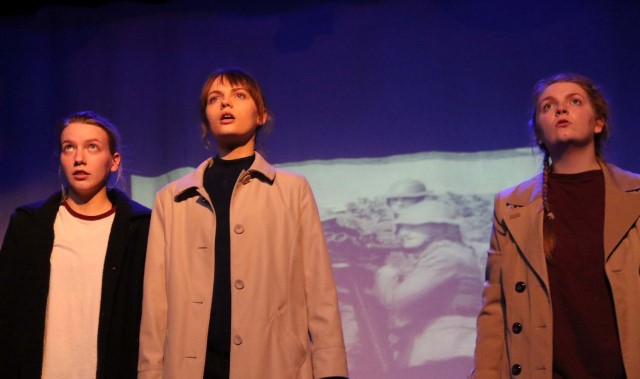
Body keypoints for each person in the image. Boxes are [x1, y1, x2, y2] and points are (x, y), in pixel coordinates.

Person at [138, 67, 348, 379]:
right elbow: (156, 303)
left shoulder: (292, 190)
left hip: (275, 365)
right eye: (215, 99)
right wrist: (151, 371)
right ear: (205, 121)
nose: (225, 104)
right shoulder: (172, 198)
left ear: (261, 115)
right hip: (193, 367)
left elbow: (318, 288)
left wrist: (331, 370)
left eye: (239, 96)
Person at [471, 73, 640, 378]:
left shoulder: (636, 196)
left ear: (598, 123)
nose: (561, 110)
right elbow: (495, 308)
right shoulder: (511, 206)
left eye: (574, 102)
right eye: (548, 106)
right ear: (538, 134)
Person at [0, 111, 151, 378]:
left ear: (114, 161)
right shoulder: (28, 225)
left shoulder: (141, 229)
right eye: (69, 147)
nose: (79, 158)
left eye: (92, 147)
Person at [374, 200, 481, 379]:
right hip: (448, 344)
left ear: (439, 228)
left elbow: (397, 300)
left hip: (447, 347)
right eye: (401, 227)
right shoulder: (453, 252)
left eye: (413, 227)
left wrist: (385, 274)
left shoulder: (444, 255)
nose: (403, 233)